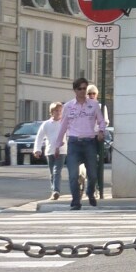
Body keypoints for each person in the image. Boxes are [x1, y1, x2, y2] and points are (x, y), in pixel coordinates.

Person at [55, 77, 107, 210]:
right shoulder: (68, 106)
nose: (83, 91)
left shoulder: (93, 104)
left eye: (85, 88)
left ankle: (90, 192)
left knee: (93, 174)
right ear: (75, 90)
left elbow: (101, 121)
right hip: (74, 143)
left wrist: (101, 131)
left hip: (89, 142)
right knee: (73, 175)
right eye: (80, 89)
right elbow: (63, 126)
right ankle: (76, 201)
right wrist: (57, 144)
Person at [33, 102, 66, 201]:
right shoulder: (46, 124)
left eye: (60, 111)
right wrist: (37, 150)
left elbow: (70, 135)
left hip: (62, 151)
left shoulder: (64, 123)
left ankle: (56, 191)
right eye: (56, 111)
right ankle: (54, 191)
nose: (58, 113)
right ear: (51, 112)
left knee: (57, 171)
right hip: (50, 151)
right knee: (52, 172)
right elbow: (39, 137)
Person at [85, 84, 111, 199]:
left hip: (97, 137)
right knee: (88, 163)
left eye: (93, 94)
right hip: (86, 136)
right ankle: (90, 187)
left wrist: (101, 131)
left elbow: (105, 121)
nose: (91, 95)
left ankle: (99, 187)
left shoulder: (101, 106)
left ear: (97, 95)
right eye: (89, 93)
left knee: (98, 163)